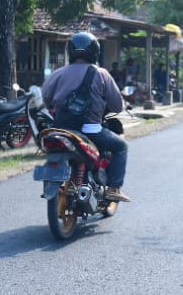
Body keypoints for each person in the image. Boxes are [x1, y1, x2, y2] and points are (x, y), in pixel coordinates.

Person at [42, 31, 130, 201]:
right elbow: (117, 105)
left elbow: (46, 97)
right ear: (95, 52)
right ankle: (113, 188)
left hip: (61, 128)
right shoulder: (101, 73)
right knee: (121, 147)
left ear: (71, 51)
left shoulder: (58, 73)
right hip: (91, 129)